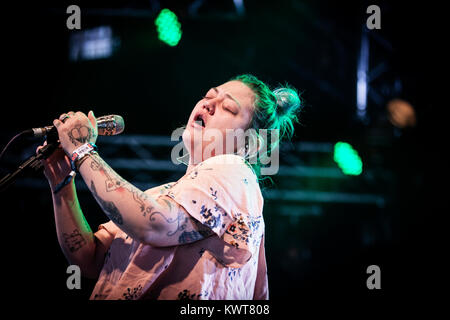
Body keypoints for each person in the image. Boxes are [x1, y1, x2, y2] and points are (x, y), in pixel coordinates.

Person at [38, 74, 302, 300]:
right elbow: (89, 257)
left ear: (250, 144)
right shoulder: (164, 195)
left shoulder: (236, 172)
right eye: (209, 96)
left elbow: (153, 224)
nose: (208, 104)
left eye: (228, 108)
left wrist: (84, 151)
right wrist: (62, 184)